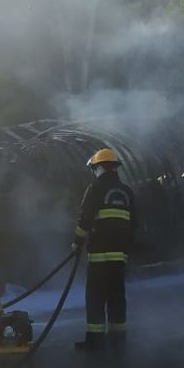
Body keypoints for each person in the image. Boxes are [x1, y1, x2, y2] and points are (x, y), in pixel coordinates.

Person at [73, 148, 135, 351]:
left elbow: (85, 219)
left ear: (98, 167)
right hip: (119, 258)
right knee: (117, 297)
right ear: (114, 168)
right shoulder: (127, 192)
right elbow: (134, 224)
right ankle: (119, 339)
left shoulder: (95, 188)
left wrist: (77, 242)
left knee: (96, 298)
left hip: (99, 257)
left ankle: (95, 342)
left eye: (94, 169)